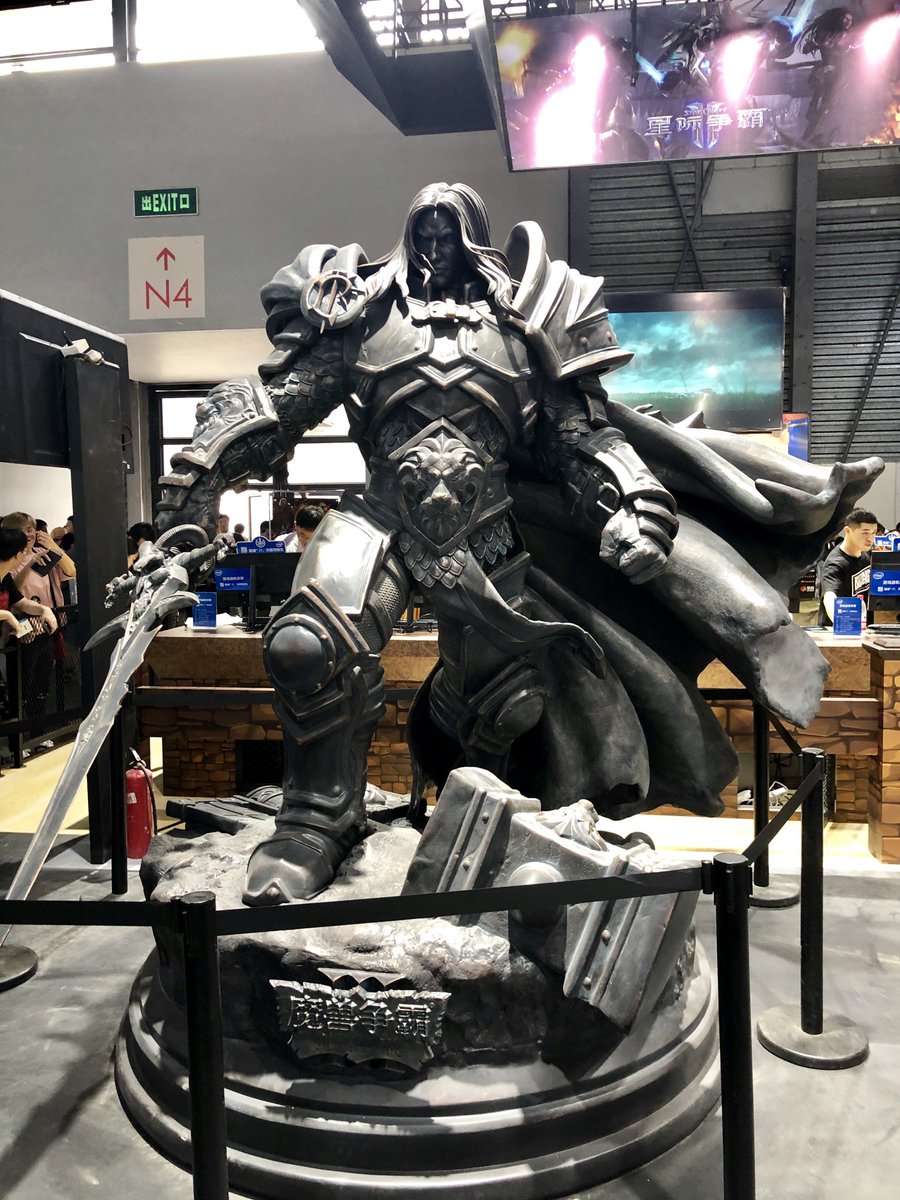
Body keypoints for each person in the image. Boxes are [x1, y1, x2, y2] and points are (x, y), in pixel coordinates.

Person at [156, 180, 881, 906]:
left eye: (449, 231)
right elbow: (273, 409)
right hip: (379, 516)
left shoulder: (528, 320)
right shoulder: (360, 313)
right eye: (424, 230)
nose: (435, 246)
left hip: (489, 526)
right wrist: (186, 512)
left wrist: (631, 501)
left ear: (474, 236)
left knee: (505, 706)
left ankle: (494, 831)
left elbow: (575, 436)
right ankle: (315, 822)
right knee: (306, 647)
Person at [817, 508, 878, 625]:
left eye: (874, 532)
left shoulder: (866, 555)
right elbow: (829, 596)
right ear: (847, 531)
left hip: (863, 626)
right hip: (838, 629)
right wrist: (842, 623)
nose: (870, 538)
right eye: (865, 532)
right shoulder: (835, 563)